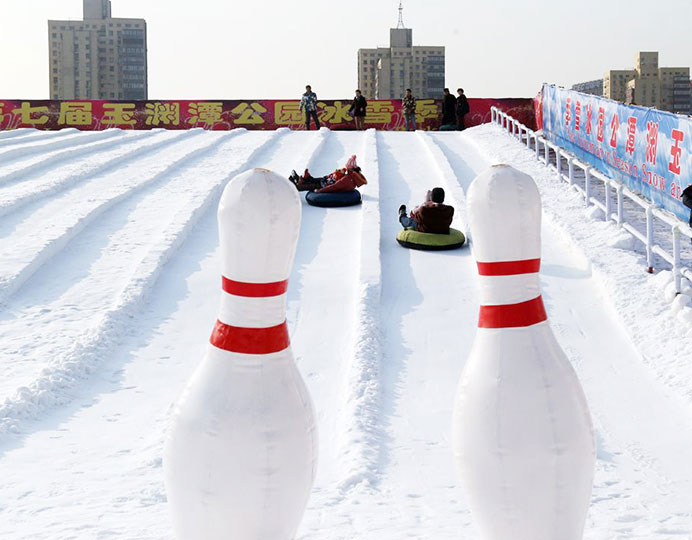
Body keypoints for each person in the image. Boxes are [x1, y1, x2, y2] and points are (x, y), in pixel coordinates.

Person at [289, 155, 367, 193]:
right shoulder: (351, 176)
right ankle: (306, 179)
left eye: (347, 167)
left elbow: (334, 187)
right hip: (330, 182)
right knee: (322, 179)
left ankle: (297, 186)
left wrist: (320, 191)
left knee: (315, 185)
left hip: (329, 187)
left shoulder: (347, 179)